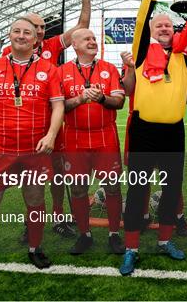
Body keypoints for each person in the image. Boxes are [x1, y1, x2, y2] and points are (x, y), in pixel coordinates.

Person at [119, 0, 187, 276]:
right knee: (138, 190)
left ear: (175, 30)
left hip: (173, 132)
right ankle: (131, 249)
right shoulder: (142, 54)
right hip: (145, 131)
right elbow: (142, 20)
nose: (163, 28)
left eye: (169, 25)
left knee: (172, 189)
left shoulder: (184, 57)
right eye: (159, 25)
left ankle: (165, 241)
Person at [0, 18, 64, 285]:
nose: (21, 35)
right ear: (10, 35)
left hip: (35, 151)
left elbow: (58, 106)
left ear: (35, 40)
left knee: (34, 200)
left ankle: (35, 248)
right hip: (1, 150)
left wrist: (51, 134)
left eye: (27, 33)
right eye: (16, 31)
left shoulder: (49, 69)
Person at [4, 0, 92, 241]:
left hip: (55, 118)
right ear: (25, 29)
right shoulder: (10, 51)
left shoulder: (52, 45)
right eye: (35, 27)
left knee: (57, 173)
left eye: (43, 26)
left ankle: (58, 217)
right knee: (31, 178)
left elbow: (82, 26)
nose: (41, 31)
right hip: (27, 123)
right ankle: (32, 222)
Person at [58, 29, 126, 255]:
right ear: (74, 45)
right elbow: (57, 107)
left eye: (94, 39)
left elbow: (119, 102)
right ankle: (84, 234)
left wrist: (102, 98)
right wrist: (79, 99)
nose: (93, 42)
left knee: (112, 188)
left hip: (105, 136)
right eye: (87, 39)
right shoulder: (62, 72)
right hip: (74, 138)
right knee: (78, 190)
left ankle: (114, 234)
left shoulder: (109, 69)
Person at [120, 51, 187, 236]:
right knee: (142, 177)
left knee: (171, 178)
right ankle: (143, 215)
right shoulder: (136, 56)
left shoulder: (174, 57)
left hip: (167, 125)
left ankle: (178, 215)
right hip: (140, 124)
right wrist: (130, 67)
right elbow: (127, 91)